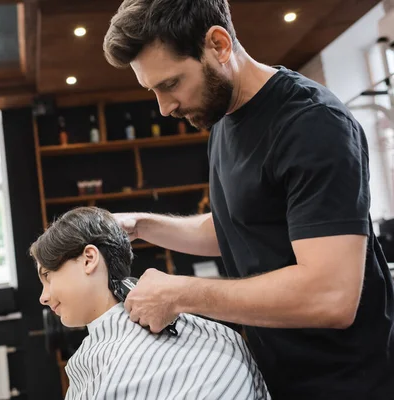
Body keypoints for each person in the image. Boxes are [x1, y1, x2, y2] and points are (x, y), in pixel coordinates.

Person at [102, 0, 394, 399]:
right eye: (152, 90)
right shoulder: (224, 119)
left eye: (170, 84)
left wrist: (180, 294)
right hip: (279, 376)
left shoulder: (313, 124)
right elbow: (240, 224)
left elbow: (331, 296)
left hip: (352, 382)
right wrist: (143, 225)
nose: (164, 107)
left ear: (219, 45)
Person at [30, 207, 270, 399]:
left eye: (48, 277)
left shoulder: (110, 369)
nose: (44, 296)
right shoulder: (219, 335)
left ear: (88, 259)